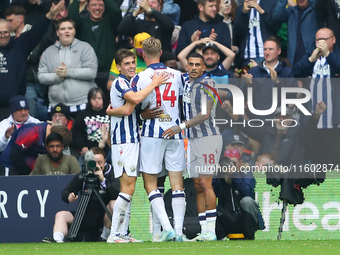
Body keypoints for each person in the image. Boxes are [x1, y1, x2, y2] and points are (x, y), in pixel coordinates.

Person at [106, 48, 168, 243]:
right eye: (127, 63)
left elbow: (128, 109)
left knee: (130, 188)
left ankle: (123, 233)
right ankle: (114, 234)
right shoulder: (119, 82)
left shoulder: (130, 82)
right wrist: (155, 83)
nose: (131, 66)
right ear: (118, 67)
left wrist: (135, 114)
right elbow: (134, 100)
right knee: (127, 188)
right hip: (123, 141)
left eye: (133, 62)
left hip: (132, 139)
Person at [129, 37, 186, 242]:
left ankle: (167, 228)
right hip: (175, 131)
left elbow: (134, 106)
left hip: (152, 133)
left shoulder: (140, 77)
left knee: (150, 183)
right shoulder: (178, 75)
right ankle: (178, 232)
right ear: (161, 52)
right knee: (177, 183)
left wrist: (143, 115)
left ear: (142, 54)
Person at [163, 52, 223, 241]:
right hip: (193, 140)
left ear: (204, 67)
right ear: (186, 66)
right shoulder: (186, 81)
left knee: (206, 184)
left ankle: (211, 232)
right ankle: (203, 230)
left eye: (198, 64)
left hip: (209, 138)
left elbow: (205, 114)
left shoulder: (209, 84)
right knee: (197, 185)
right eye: (191, 64)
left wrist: (180, 127)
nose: (195, 67)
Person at [0, 0, 65, 121]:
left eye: (5, 32)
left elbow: (37, 31)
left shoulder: (19, 46)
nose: (2, 35)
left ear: (10, 32)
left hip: (15, 106)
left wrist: (50, 15)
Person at [42, 147, 120, 243]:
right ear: (88, 163)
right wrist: (69, 196)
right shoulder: (84, 174)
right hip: (84, 216)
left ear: (105, 161)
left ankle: (104, 238)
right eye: (93, 163)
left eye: (100, 163)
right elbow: (65, 191)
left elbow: (115, 194)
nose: (96, 166)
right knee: (61, 215)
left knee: (114, 203)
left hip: (105, 217)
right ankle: (58, 241)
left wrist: (103, 180)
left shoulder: (111, 173)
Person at [293, 28, 340, 166]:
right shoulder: (311, 55)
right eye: (318, 40)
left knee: (334, 162)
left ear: (333, 39)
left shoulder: (337, 55)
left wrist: (328, 54)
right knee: (315, 162)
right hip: (312, 121)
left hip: (334, 122)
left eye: (325, 39)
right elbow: (295, 72)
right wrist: (310, 60)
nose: (321, 43)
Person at [38, 17, 98, 118]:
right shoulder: (48, 52)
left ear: (74, 31)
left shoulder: (85, 48)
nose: (66, 31)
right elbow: (41, 76)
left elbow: (92, 72)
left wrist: (68, 72)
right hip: (57, 105)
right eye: (62, 29)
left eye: (70, 28)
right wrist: (58, 77)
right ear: (57, 32)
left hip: (83, 103)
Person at [68, 0, 123, 100]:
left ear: (105, 7)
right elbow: (72, 16)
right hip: (88, 76)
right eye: (93, 5)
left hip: (109, 75)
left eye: (100, 5)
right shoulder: (81, 24)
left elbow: (116, 11)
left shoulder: (110, 23)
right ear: (87, 8)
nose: (97, 8)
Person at [240, 36, 297, 121]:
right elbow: (241, 97)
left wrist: (277, 82)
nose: (267, 52)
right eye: (265, 49)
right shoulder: (254, 71)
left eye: (270, 49)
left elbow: (291, 99)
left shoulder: (287, 72)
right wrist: (248, 85)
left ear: (279, 51)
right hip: (258, 120)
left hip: (279, 121)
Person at [214, 149, 264, 240]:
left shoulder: (246, 173)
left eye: (233, 162)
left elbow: (247, 192)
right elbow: (214, 193)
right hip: (227, 217)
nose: (230, 165)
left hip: (244, 218)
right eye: (227, 162)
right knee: (211, 207)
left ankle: (249, 237)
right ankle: (219, 238)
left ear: (240, 163)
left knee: (247, 201)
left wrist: (234, 175)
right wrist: (216, 174)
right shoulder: (220, 175)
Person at [0, 123, 72, 175]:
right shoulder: (33, 132)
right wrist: (29, 173)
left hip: (27, 168)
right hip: (10, 165)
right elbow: (15, 155)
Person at [233, 0, 281, 65]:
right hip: (248, 57)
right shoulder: (241, 8)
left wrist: (261, 11)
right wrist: (243, 13)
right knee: (247, 74)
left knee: (267, 75)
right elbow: (238, 32)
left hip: (267, 55)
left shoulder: (271, 3)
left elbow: (275, 27)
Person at [272, 0, 319, 66]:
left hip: (312, 58)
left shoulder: (315, 11)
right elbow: (277, 15)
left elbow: (318, 6)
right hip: (293, 60)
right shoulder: (291, 11)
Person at [71, 87, 110, 163]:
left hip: (108, 150)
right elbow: (76, 132)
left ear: (103, 99)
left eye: (99, 98)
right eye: (94, 98)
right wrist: (82, 146)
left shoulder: (110, 113)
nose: (97, 101)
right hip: (88, 151)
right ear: (89, 100)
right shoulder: (82, 115)